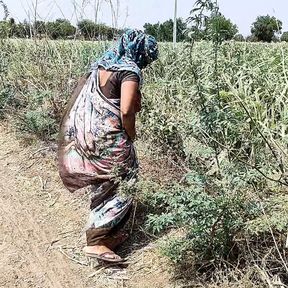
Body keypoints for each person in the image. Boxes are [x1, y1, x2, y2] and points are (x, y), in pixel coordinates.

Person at [58, 29, 158, 263]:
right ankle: (99, 241)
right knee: (126, 178)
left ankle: (101, 234)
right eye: (147, 56)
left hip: (88, 137)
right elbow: (125, 110)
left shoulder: (100, 66)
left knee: (106, 181)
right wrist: (131, 135)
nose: (146, 62)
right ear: (140, 52)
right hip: (111, 138)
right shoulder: (129, 71)